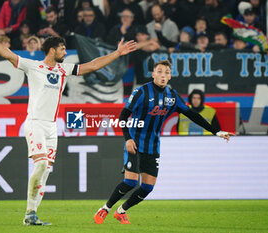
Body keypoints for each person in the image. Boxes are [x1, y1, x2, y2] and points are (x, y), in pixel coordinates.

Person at [0, 21, 137, 226]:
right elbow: (7, 54)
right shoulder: (33, 66)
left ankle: (32, 215)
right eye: (63, 48)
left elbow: (92, 65)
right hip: (35, 123)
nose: (65, 52)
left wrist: (117, 54)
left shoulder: (64, 69)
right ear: (52, 50)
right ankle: (29, 212)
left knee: (46, 171)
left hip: (51, 127)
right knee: (40, 164)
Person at [93, 60, 234, 225]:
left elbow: (192, 114)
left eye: (166, 72)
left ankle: (121, 211)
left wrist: (216, 131)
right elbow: (123, 116)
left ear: (170, 76)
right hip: (135, 142)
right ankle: (105, 209)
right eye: (159, 71)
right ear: (153, 74)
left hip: (153, 145)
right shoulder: (141, 92)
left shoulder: (172, 96)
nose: (163, 75)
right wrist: (128, 139)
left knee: (147, 187)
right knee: (131, 182)